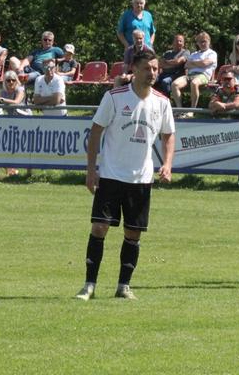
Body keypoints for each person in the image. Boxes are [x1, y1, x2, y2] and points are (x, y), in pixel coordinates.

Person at [75, 49, 175, 301]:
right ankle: (89, 285)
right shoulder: (115, 97)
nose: (152, 73)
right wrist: (91, 170)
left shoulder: (162, 102)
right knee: (99, 228)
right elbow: (96, 132)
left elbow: (168, 135)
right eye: (147, 68)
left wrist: (167, 164)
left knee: (133, 233)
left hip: (141, 179)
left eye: (155, 68)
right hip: (110, 175)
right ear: (134, 70)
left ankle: (123, 286)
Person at [171, 32, 217, 116]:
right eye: (200, 42)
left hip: (203, 75)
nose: (202, 43)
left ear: (209, 42)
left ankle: (192, 110)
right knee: (175, 84)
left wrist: (193, 63)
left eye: (204, 41)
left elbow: (205, 63)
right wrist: (199, 63)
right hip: (189, 75)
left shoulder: (212, 53)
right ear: (198, 43)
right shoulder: (194, 54)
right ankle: (179, 109)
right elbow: (186, 65)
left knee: (194, 83)